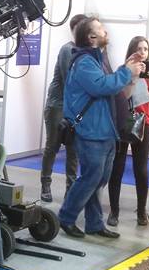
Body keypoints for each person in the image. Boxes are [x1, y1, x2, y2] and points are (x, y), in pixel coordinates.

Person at [59, 17, 144, 239]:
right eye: (100, 28)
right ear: (91, 36)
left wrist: (126, 68)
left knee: (98, 180)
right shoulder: (85, 62)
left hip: (103, 131)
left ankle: (94, 223)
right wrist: (127, 72)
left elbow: (111, 85)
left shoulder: (97, 59)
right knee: (91, 178)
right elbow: (102, 86)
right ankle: (66, 217)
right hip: (91, 131)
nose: (105, 31)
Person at [107, 36, 149, 227]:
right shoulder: (123, 70)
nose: (142, 52)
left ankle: (141, 211)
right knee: (117, 167)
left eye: (145, 49)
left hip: (143, 123)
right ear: (131, 51)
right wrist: (133, 77)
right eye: (138, 49)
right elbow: (123, 97)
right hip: (123, 122)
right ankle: (114, 211)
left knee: (141, 170)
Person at [40, 14, 85, 202]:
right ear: (75, 30)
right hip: (57, 106)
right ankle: (45, 184)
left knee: (73, 150)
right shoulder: (68, 49)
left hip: (74, 108)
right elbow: (71, 80)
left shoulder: (85, 52)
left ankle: (71, 189)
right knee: (53, 146)